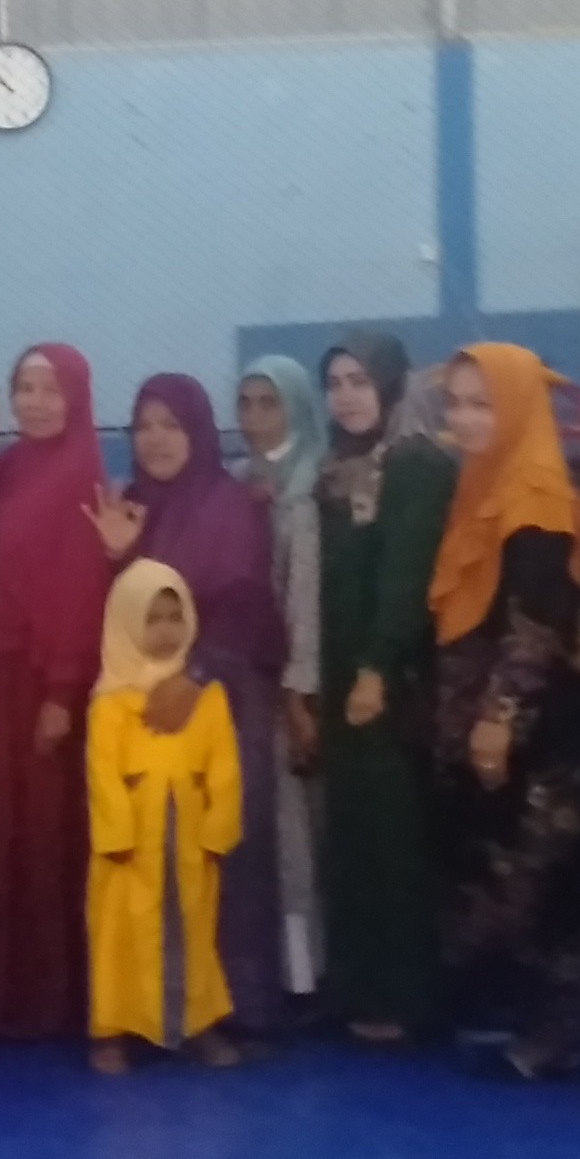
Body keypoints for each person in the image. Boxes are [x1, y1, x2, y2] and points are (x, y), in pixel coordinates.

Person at [427, 345, 580, 1083]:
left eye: (483, 404)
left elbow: (536, 624)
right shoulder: (484, 482)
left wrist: (499, 717)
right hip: (500, 725)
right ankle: (525, 1022)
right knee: (506, 867)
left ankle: (559, 1037)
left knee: (542, 874)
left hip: (540, 729)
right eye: (456, 403)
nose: (465, 419)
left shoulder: (535, 500)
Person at [95, 373, 289, 1034]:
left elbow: (245, 610)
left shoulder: (227, 506)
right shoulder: (131, 508)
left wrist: (194, 674)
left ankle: (238, 1008)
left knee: (226, 850)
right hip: (144, 718)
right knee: (153, 859)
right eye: (144, 426)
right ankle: (156, 1008)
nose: (155, 439)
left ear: (199, 432)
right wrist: (119, 556)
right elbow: (127, 618)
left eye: (171, 425)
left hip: (222, 705)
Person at [0, 343, 102, 1042]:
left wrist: (62, 692)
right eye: (24, 388)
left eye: (49, 389)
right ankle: (13, 991)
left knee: (48, 831)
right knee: (11, 829)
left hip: (48, 678)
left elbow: (81, 592)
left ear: (76, 397)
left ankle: (54, 993)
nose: (35, 402)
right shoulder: (19, 465)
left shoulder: (82, 473)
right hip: (5, 670)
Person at [310, 333, 452, 1044]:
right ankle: (361, 991)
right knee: (356, 832)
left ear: (392, 386)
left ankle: (404, 997)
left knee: (396, 835)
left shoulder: (416, 463)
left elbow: (407, 574)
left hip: (389, 676)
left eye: (361, 381)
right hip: (341, 672)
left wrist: (377, 666)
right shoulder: (335, 469)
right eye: (336, 383)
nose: (346, 396)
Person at [83, 562, 244, 1075]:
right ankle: (113, 1029)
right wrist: (117, 834)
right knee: (121, 935)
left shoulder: (206, 696)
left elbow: (224, 768)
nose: (166, 631)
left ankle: (198, 1024)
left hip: (189, 836)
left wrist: (218, 828)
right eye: (152, 619)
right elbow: (102, 772)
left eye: (175, 617)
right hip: (132, 844)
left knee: (194, 929)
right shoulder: (111, 701)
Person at [235, 354, 327, 1003]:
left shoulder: (311, 483)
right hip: (250, 679)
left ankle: (307, 975)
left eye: (269, 403)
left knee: (299, 834)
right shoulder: (244, 479)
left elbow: (305, 599)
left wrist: (298, 693)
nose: (255, 417)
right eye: (245, 404)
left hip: (294, 684)